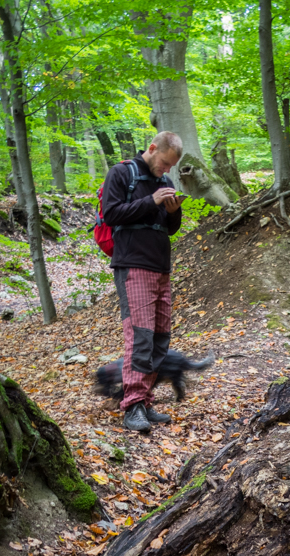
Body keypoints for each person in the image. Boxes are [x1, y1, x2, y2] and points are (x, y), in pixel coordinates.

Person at [102, 131, 184, 432]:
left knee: (161, 337)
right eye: (165, 163)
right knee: (140, 336)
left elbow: (170, 228)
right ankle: (132, 406)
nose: (167, 170)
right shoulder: (122, 172)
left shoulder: (166, 183)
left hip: (162, 267)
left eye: (171, 166)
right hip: (133, 264)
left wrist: (173, 212)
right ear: (152, 149)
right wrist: (151, 201)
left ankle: (145, 401)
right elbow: (111, 214)